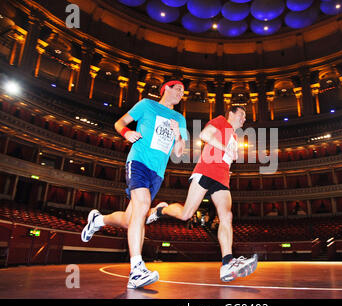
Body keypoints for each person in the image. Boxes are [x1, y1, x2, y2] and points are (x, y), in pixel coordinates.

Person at [81, 80, 187, 289]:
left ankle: (98, 220)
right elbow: (119, 123)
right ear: (166, 89)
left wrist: (177, 134)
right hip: (138, 161)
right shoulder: (146, 105)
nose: (181, 93)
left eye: (183, 92)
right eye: (178, 89)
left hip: (158, 173)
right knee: (143, 205)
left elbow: (178, 153)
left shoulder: (180, 118)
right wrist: (126, 133)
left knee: (132, 220)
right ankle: (136, 269)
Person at [146, 105, 258, 282]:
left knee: (227, 215)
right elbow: (205, 135)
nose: (244, 119)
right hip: (206, 171)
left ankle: (227, 262)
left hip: (221, 177)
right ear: (231, 113)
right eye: (242, 115)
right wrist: (225, 149)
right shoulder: (221, 121)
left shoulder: (235, 136)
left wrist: (227, 164)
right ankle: (160, 210)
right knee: (186, 214)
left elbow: (225, 156)